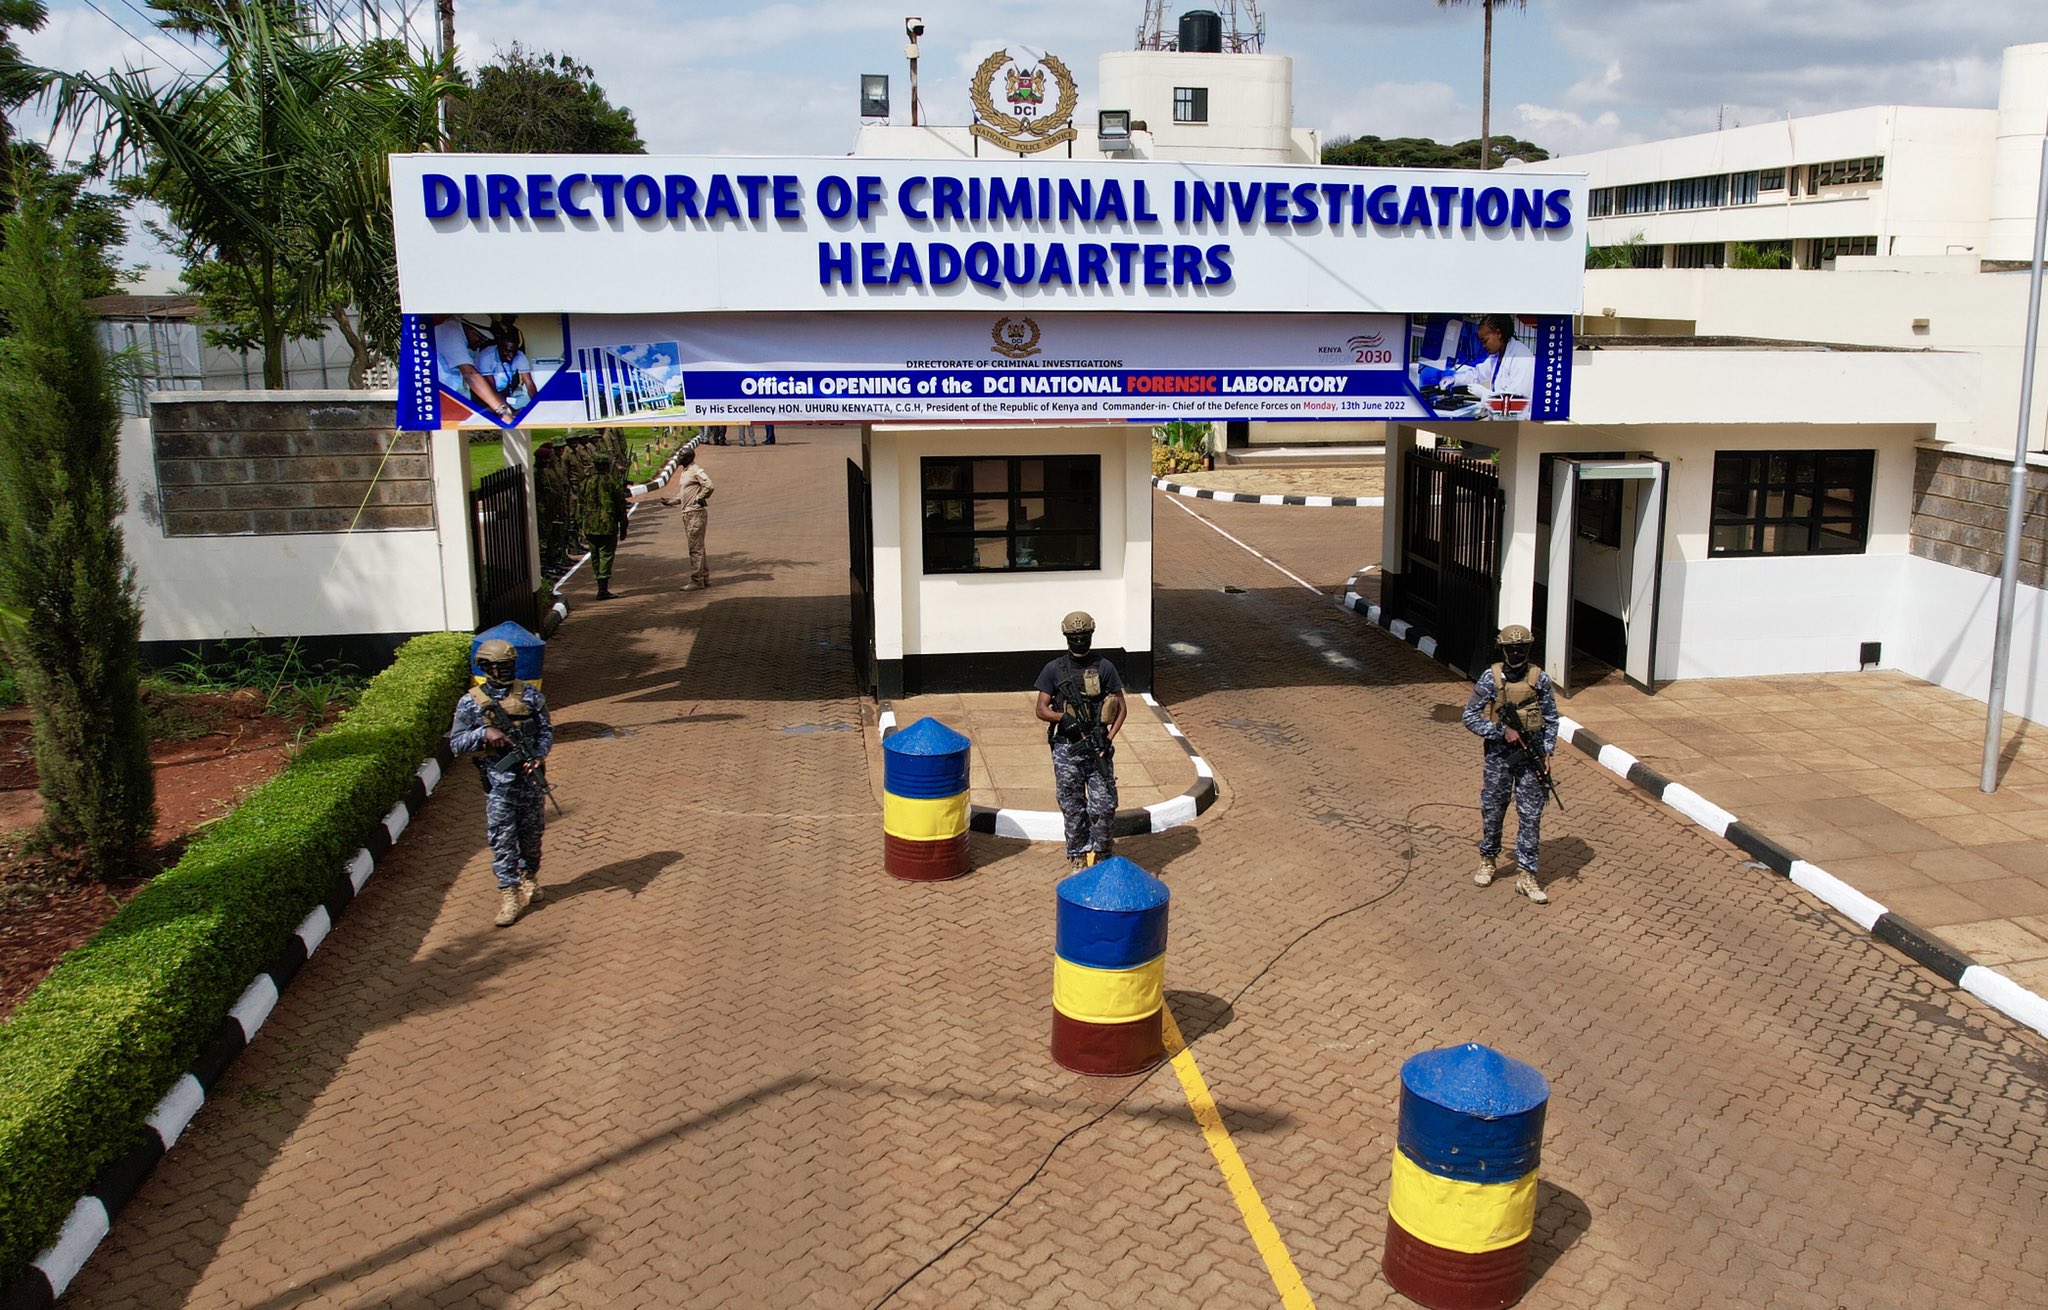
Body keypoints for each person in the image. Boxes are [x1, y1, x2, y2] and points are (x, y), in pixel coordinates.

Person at [448, 638, 554, 927]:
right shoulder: (471, 702)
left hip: (530, 782)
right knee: (502, 840)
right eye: (500, 666)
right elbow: (455, 743)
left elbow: (546, 730)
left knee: (532, 837)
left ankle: (529, 877)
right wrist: (484, 734)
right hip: (499, 786)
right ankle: (509, 895)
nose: (507, 670)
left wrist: (538, 756)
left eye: (509, 665)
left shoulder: (529, 695)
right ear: (485, 667)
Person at [1461, 623, 1559, 904]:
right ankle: (1488, 859)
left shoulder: (1539, 679)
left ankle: (1527, 875)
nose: (1516, 653)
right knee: (1493, 809)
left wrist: (1547, 751)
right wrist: (1500, 731)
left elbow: (1551, 719)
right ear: (1503, 649)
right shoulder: (1490, 678)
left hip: (1531, 757)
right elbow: (1469, 716)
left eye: (1522, 648)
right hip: (1499, 757)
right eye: (1512, 648)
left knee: (1531, 815)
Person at [1033, 611, 1127, 872]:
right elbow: (1041, 709)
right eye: (1074, 636)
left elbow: (1121, 709)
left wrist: (1108, 739)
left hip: (1097, 748)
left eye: (1084, 635)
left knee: (1105, 806)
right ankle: (1077, 854)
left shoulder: (1104, 667)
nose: (1079, 641)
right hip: (1068, 748)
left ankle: (1103, 854)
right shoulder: (1054, 669)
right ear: (1066, 637)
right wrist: (1062, 717)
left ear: (1091, 635)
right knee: (1072, 805)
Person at [431, 315, 515, 422]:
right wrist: (502, 411)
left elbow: (479, 377)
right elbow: (470, 375)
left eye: (485, 338)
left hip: (456, 394)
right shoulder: (450, 333)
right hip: (438, 396)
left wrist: (507, 409)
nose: (482, 341)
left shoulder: (470, 342)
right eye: (480, 337)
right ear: (468, 328)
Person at [1447, 314, 1536, 412]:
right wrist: (1454, 379)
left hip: (1519, 419)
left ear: (1498, 334)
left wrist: (1485, 395)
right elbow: (1478, 374)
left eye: (1485, 341)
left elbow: (1516, 403)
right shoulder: (1497, 355)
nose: (1483, 346)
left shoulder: (1521, 357)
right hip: (1502, 416)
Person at [660, 445, 714, 591]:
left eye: (681, 456)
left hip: (694, 513)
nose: (678, 458)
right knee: (699, 547)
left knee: (695, 549)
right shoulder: (686, 471)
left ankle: (697, 580)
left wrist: (699, 498)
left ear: (688, 458)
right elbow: (684, 493)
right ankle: (704, 577)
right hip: (688, 513)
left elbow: (709, 486)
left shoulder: (695, 470)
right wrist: (671, 501)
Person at [580, 448, 630, 599]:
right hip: (607, 525)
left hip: (590, 525)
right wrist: (624, 526)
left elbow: (580, 504)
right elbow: (620, 506)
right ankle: (602, 589)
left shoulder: (586, 482)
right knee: (606, 555)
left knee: (595, 556)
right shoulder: (612, 482)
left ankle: (600, 584)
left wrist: (580, 524)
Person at [473, 324, 538, 413]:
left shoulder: (520, 356)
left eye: (514, 352)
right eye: (507, 351)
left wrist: (536, 406)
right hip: (485, 393)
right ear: (499, 346)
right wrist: (511, 411)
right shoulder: (486, 356)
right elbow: (492, 389)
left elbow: (529, 384)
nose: (511, 355)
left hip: (503, 392)